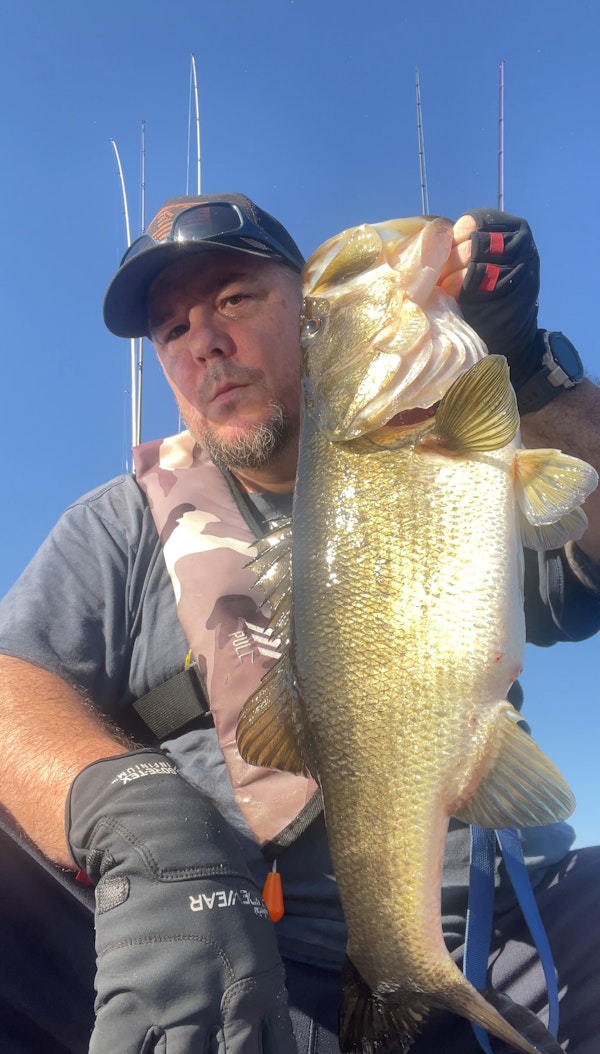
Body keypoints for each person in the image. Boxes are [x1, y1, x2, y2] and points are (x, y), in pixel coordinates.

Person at [0, 192, 598, 1054]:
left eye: (235, 298)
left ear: (307, 319)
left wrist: (536, 376)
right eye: (172, 330)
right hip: (245, 952)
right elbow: (12, 685)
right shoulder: (116, 525)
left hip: (519, 920)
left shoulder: (464, 452)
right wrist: (126, 809)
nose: (204, 341)